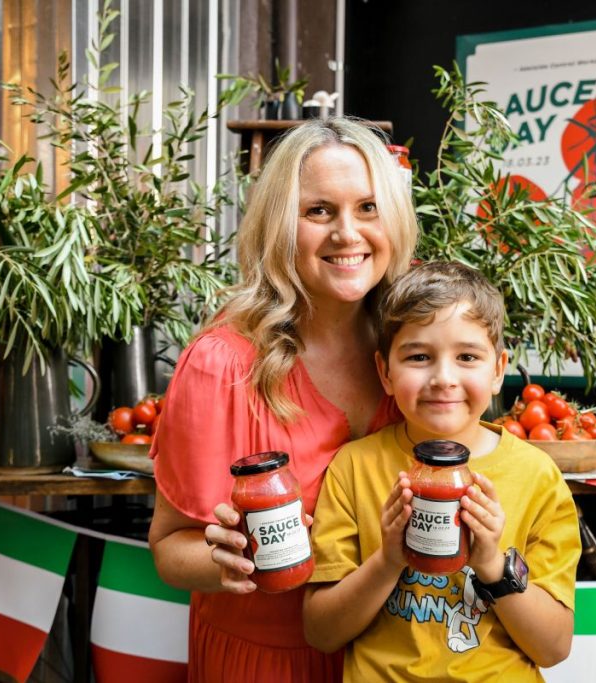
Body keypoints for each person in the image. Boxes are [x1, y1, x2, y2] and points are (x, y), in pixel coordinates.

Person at [147, 117, 418, 682]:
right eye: (319, 211)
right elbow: (169, 547)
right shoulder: (223, 363)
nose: (348, 233)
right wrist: (225, 556)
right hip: (267, 661)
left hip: (397, 658)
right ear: (278, 225)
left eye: (368, 207)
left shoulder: (415, 350)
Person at [302, 261, 580, 682]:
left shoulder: (537, 477)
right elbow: (321, 632)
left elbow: (554, 646)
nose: (443, 378)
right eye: (419, 357)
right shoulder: (354, 468)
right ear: (386, 372)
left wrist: (491, 563)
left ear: (497, 370)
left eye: (467, 356)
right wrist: (388, 560)